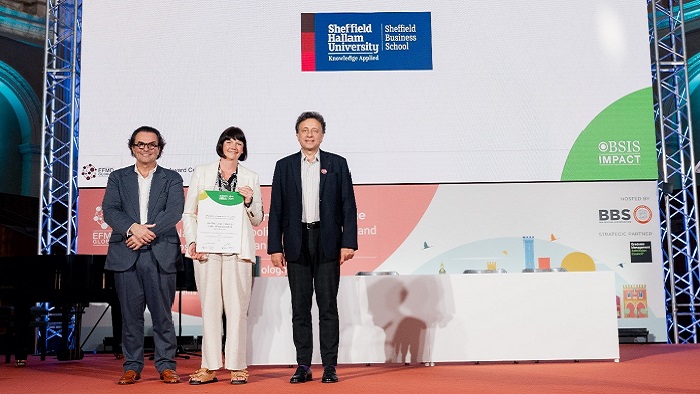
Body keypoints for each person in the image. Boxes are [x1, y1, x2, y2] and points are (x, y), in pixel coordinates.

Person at [268, 111, 358, 384]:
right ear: (297, 135)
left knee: (328, 306)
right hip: (297, 242)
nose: (309, 134)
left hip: (328, 241)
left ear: (322, 135)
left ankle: (330, 366)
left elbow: (348, 205)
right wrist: (275, 247)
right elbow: (277, 209)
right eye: (304, 130)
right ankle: (303, 365)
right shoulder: (284, 166)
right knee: (300, 307)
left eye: (314, 130)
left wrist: (348, 242)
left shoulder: (337, 164)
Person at [102, 126, 184, 385]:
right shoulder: (117, 177)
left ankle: (167, 365)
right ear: (132, 147)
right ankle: (132, 366)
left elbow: (174, 212)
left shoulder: (172, 178)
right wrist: (132, 229)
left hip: (161, 252)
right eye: (141, 144)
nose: (146, 149)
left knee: (162, 315)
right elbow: (110, 210)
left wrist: (146, 233)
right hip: (126, 252)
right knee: (130, 315)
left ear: (159, 148)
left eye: (151, 145)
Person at [182, 126, 263, 385]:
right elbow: (189, 212)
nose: (234, 146)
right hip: (207, 249)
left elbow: (258, 219)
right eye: (229, 141)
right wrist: (193, 241)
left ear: (243, 149)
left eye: (239, 142)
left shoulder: (251, 176)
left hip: (237, 251)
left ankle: (238, 366)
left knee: (238, 309)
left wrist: (249, 202)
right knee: (211, 309)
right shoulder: (202, 172)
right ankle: (209, 366)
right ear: (221, 144)